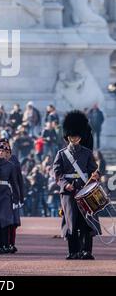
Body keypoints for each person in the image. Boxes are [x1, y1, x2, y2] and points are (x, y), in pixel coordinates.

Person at [53, 110, 100, 260]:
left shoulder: (87, 153)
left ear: (81, 137)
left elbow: (94, 171)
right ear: (67, 137)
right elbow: (57, 173)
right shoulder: (61, 154)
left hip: (85, 189)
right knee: (70, 221)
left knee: (87, 221)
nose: (74, 139)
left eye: (76, 136)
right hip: (69, 192)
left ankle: (87, 251)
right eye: (71, 136)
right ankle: (73, 251)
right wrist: (65, 185)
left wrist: (95, 177)